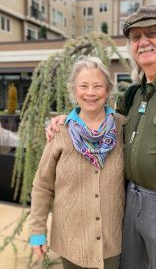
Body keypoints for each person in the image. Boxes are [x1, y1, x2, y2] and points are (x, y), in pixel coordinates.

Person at [46, 5, 156, 269]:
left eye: (151, 33)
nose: (143, 42)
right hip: (130, 202)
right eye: (136, 37)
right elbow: (100, 121)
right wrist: (67, 119)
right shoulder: (133, 94)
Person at [29, 56, 125, 269]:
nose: (90, 93)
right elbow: (42, 186)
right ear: (74, 91)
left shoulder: (123, 128)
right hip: (71, 244)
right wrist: (37, 233)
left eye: (97, 86)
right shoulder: (60, 131)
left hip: (112, 243)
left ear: (107, 90)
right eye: (83, 86)